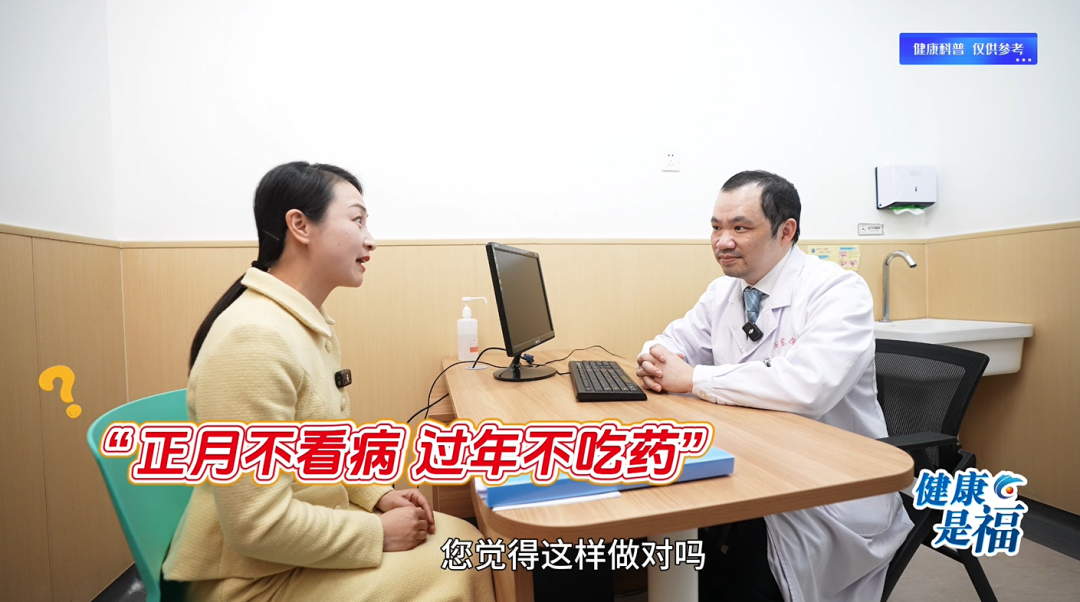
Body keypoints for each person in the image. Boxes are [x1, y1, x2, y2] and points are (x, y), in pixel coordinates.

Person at [163, 161, 495, 602]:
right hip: (251, 583)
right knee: (465, 559)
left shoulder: (301, 323)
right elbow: (257, 525)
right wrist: (378, 532)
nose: (370, 239)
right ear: (300, 225)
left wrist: (377, 496)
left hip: (292, 558)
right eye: (357, 220)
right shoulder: (254, 339)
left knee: (464, 541)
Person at [636, 170, 913, 602]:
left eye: (740, 228)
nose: (722, 241)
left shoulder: (837, 290)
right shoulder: (723, 292)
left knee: (730, 572)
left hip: (828, 483)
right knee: (670, 516)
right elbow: (671, 343)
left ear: (786, 231)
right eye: (716, 227)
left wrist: (694, 378)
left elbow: (808, 388)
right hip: (753, 459)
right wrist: (655, 359)